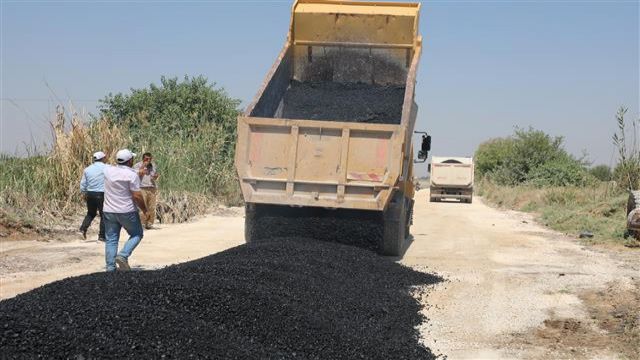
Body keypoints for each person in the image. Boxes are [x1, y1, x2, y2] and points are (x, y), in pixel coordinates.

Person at [103, 149, 147, 272]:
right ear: (130, 161)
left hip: (109, 211)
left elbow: (104, 164)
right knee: (137, 234)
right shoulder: (131, 175)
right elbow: (137, 196)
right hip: (127, 211)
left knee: (111, 239)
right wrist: (145, 210)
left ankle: (110, 268)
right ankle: (123, 255)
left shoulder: (108, 171)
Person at [79, 151, 107, 241]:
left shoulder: (87, 169)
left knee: (91, 213)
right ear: (103, 158)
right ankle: (102, 236)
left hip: (90, 193)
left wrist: (84, 192)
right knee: (104, 215)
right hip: (102, 194)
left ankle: (82, 229)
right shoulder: (107, 168)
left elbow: (83, 184)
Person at [133, 152, 160, 229]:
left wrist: (155, 176)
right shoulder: (137, 165)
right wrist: (143, 166)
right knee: (143, 206)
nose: (148, 160)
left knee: (151, 206)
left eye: (150, 159)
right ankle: (142, 223)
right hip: (142, 188)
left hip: (151, 187)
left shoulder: (153, 165)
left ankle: (149, 223)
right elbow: (135, 175)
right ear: (143, 159)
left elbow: (154, 176)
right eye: (146, 159)